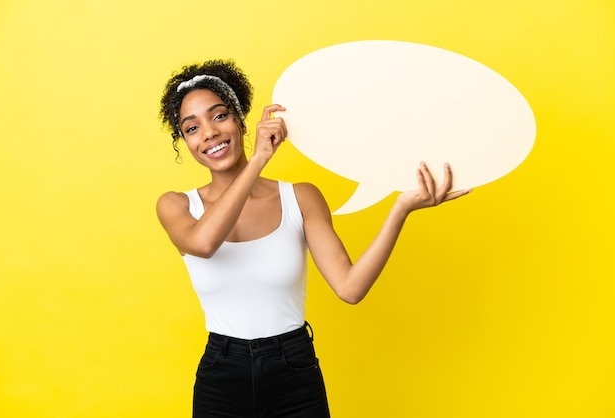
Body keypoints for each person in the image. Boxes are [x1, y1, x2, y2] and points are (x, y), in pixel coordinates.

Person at [157, 59, 470, 418]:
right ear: (185, 141)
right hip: (221, 375)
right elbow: (203, 244)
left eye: (219, 116)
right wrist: (259, 159)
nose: (209, 133)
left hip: (294, 370)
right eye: (191, 127)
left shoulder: (300, 197)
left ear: (241, 120)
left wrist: (401, 209)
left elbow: (350, 288)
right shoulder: (177, 206)